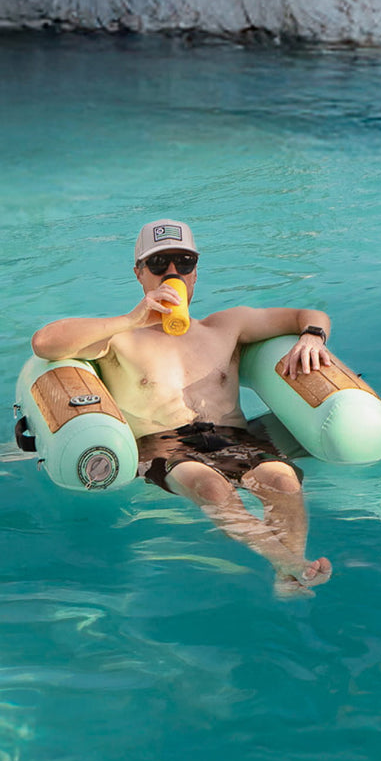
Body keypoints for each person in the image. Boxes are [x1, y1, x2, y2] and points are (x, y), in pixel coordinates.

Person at [31, 219, 336, 597]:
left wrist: (312, 337)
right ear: (139, 274)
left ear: (195, 274)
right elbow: (44, 342)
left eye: (184, 262)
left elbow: (305, 315)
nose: (172, 273)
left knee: (283, 481)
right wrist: (132, 318)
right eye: (159, 264)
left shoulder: (224, 326)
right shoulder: (119, 339)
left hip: (233, 437)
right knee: (211, 486)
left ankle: (288, 575)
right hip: (163, 444)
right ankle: (289, 565)